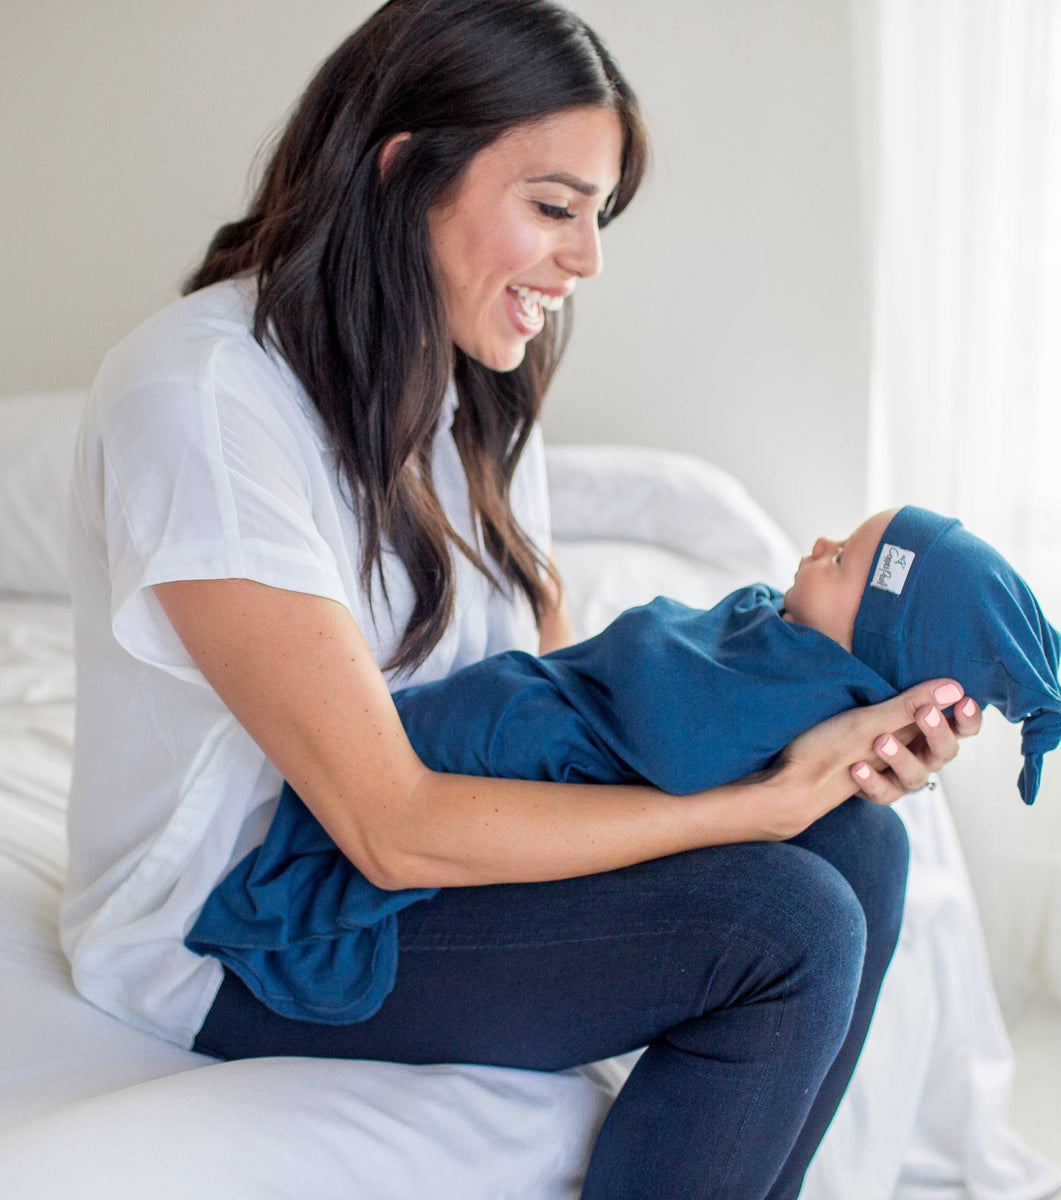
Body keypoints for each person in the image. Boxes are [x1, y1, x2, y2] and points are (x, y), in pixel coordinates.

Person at [59, 3, 985, 1197]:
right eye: (555, 207)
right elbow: (389, 827)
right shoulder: (197, 399)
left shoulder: (467, 387)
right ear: (403, 172)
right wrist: (747, 814)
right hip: (246, 928)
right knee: (783, 923)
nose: (588, 258)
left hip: (414, 865)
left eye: (598, 216)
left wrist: (802, 737)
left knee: (858, 839)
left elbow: (557, 706)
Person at [187, 503, 1061, 1025]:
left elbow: (671, 730)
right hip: (424, 786)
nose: (812, 548)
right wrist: (768, 800)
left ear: (867, 651)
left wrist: (811, 776)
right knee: (800, 909)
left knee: (867, 842)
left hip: (525, 736)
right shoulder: (787, 649)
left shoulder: (795, 682)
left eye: (839, 562)